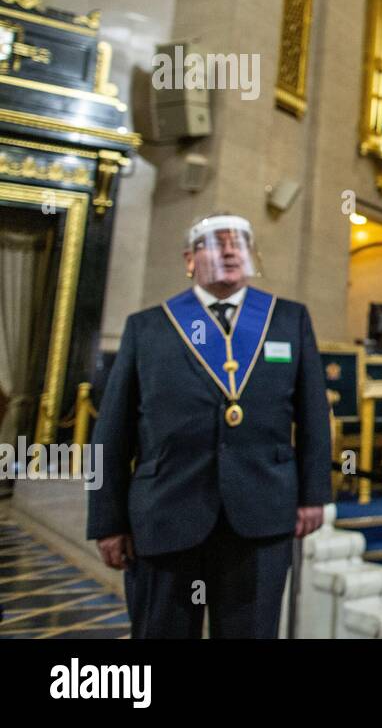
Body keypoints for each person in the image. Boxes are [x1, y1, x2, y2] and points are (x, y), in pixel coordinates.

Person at [88, 213, 331, 638]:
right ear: (189, 258)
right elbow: (111, 431)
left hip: (262, 514)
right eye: (215, 243)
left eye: (240, 242)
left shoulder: (288, 320)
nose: (231, 250)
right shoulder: (147, 327)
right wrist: (108, 520)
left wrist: (314, 494)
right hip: (164, 512)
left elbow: (313, 415)